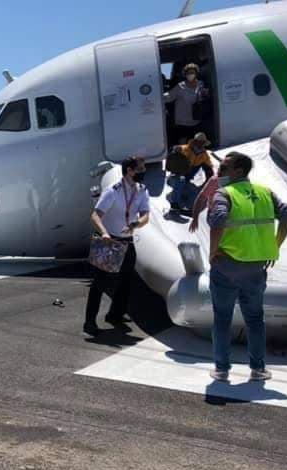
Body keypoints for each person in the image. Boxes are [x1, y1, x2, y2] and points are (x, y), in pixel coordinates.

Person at [207, 151, 287, 382]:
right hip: (255, 268)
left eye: (224, 168)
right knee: (255, 319)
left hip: (226, 265)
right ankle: (258, 369)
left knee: (222, 318)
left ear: (239, 171)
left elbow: (218, 221)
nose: (219, 171)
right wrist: (275, 246)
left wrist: (212, 251)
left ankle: (222, 370)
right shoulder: (265, 193)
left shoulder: (224, 194)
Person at [84, 156, 151, 334]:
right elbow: (95, 215)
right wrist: (104, 232)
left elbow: (145, 215)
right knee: (99, 284)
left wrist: (137, 223)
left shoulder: (142, 190)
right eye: (141, 169)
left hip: (127, 241)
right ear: (130, 171)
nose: (144, 172)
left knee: (126, 281)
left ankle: (115, 314)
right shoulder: (113, 191)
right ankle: (89, 322)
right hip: (110, 241)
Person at [164, 63, 210, 144]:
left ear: (196, 73)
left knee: (196, 143)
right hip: (183, 122)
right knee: (183, 144)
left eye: (192, 72)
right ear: (185, 74)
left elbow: (205, 97)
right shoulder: (180, 86)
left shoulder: (201, 84)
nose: (190, 75)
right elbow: (168, 97)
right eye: (188, 73)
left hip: (196, 120)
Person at [170, 132, 215, 212]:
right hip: (175, 179)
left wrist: (205, 187)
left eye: (203, 142)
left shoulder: (204, 156)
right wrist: (175, 151)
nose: (200, 144)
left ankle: (189, 209)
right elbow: (171, 159)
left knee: (196, 193)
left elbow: (210, 173)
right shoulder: (183, 149)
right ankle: (174, 205)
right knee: (180, 180)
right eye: (198, 142)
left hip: (187, 182)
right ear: (194, 141)